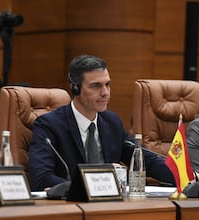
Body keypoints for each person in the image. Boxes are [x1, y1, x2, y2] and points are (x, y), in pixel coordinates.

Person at [28, 54, 177, 191]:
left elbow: (145, 160)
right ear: (75, 88)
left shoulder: (111, 122)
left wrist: (188, 177)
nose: (105, 92)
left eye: (107, 84)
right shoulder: (49, 125)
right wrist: (95, 184)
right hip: (69, 208)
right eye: (96, 86)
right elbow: (41, 179)